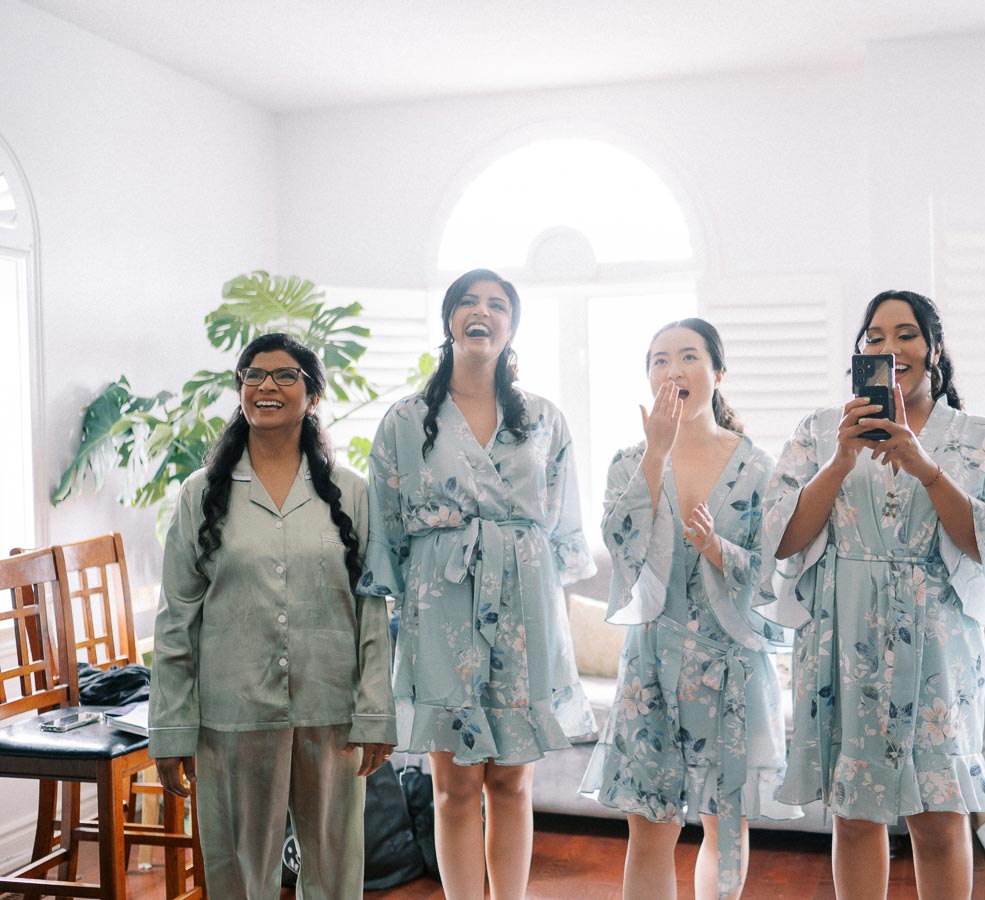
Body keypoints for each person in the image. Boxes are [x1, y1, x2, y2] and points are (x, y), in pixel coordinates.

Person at [756, 290, 985, 900]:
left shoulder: (978, 436)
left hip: (938, 636)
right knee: (855, 813)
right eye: (874, 336)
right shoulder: (820, 430)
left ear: (933, 348)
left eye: (906, 333)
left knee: (939, 812)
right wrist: (842, 460)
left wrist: (924, 465)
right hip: (841, 631)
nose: (889, 347)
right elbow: (782, 536)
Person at [363, 268, 596, 900]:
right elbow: (384, 528)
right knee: (454, 785)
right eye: (468, 302)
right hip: (438, 606)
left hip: (524, 602)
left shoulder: (545, 419)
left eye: (497, 305)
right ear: (448, 321)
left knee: (513, 782)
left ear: (511, 326)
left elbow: (560, 524)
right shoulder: (408, 421)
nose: (482, 312)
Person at [150, 332, 395, 898]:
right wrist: (170, 730)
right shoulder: (199, 495)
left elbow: (373, 610)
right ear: (240, 392)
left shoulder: (352, 494)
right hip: (231, 714)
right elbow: (175, 619)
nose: (267, 385)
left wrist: (376, 712)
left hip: (330, 707)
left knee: (335, 871)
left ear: (311, 397)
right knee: (237, 871)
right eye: (254, 375)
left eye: (286, 375)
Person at [580, 318, 800, 899]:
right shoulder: (630, 461)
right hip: (650, 663)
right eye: (658, 360)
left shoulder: (758, 467)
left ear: (718, 373)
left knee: (725, 824)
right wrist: (657, 452)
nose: (672, 370)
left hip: (731, 667)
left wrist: (716, 549)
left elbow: (777, 574)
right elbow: (620, 544)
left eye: (687, 356)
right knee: (649, 824)